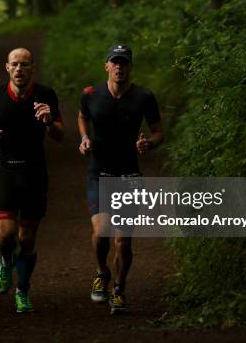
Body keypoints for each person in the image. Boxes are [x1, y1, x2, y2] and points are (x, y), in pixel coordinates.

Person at [0, 48, 64, 313]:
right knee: (6, 234)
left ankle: (22, 292)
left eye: (25, 64)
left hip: (35, 173)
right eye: (15, 64)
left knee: (27, 239)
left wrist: (49, 122)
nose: (19, 69)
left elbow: (60, 135)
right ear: (7, 67)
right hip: (7, 171)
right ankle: (5, 260)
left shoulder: (46, 95)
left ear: (32, 67)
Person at [77, 44, 163, 314]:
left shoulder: (144, 97)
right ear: (106, 66)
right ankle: (102, 272)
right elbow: (82, 117)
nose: (119, 67)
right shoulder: (91, 94)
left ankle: (119, 288)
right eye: (114, 62)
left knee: (123, 241)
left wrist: (149, 143)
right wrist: (84, 137)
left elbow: (158, 132)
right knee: (101, 232)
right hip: (99, 173)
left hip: (128, 176)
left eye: (124, 63)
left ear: (130, 67)